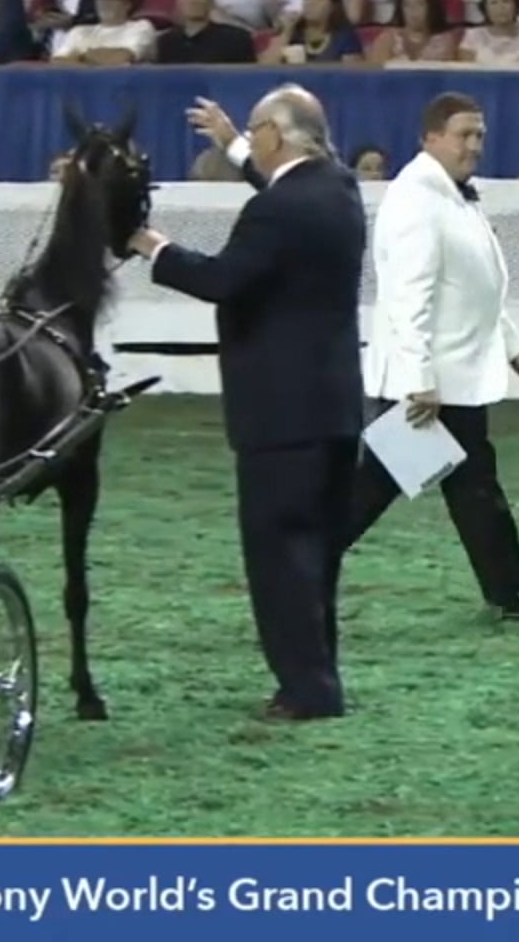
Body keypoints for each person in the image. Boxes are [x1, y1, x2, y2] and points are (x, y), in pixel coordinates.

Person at [129, 86, 367, 721]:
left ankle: (305, 690)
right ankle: (320, 678)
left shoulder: (277, 211)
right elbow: (284, 196)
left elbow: (221, 280)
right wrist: (234, 145)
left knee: (279, 558)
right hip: (334, 408)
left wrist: (151, 245)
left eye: (257, 132)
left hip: (280, 415)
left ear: (275, 136)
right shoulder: (339, 190)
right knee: (316, 557)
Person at [345, 92, 519, 624]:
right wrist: (419, 379)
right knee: (378, 488)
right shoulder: (416, 200)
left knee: (469, 487)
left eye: (479, 134)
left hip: (452, 381)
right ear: (431, 137)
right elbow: (408, 298)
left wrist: (514, 348)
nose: (475, 145)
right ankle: (298, 563)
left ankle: (508, 595)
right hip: (428, 387)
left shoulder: (454, 197)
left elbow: (478, 288)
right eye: (464, 134)